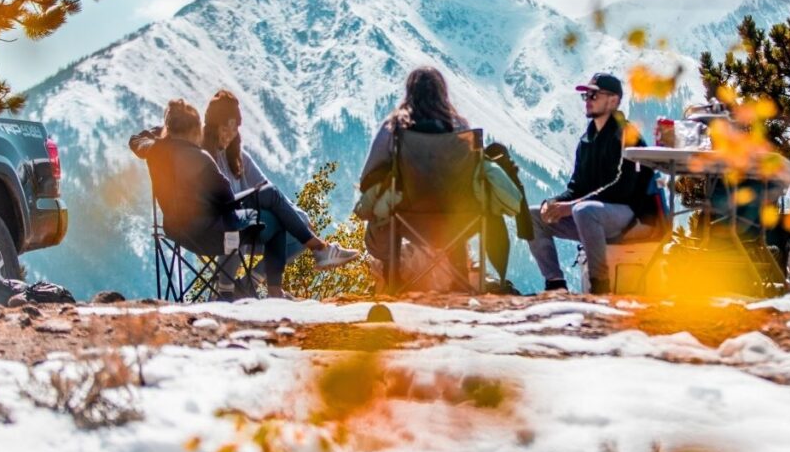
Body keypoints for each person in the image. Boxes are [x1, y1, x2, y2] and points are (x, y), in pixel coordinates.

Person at [130, 99, 353, 299]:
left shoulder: (157, 151)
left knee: (275, 217)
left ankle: (275, 286)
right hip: (214, 231)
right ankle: (318, 251)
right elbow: (226, 200)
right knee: (272, 198)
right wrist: (256, 200)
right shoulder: (200, 158)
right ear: (195, 129)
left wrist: (159, 139)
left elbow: (138, 139)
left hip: (178, 230)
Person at [359, 66, 517, 284]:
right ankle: (460, 279)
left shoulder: (394, 127)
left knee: (386, 211)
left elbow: (368, 177)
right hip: (460, 220)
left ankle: (393, 278)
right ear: (443, 92)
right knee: (453, 208)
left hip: (406, 219)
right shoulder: (460, 127)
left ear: (409, 92)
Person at [201, 90, 359, 297]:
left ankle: (251, 282)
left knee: (297, 222)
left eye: (235, 128)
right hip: (221, 224)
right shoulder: (201, 155)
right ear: (212, 126)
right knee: (280, 214)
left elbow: (265, 185)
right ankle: (320, 248)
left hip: (246, 224)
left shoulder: (238, 157)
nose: (230, 134)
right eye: (225, 127)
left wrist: (298, 215)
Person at [528, 73, 655, 294]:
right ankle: (556, 284)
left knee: (585, 210)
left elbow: (622, 188)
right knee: (532, 215)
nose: (587, 99)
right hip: (595, 216)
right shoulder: (586, 141)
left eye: (593, 94)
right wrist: (554, 202)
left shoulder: (627, 135)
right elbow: (577, 186)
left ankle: (600, 286)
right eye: (586, 95)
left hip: (633, 217)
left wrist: (572, 206)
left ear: (613, 101)